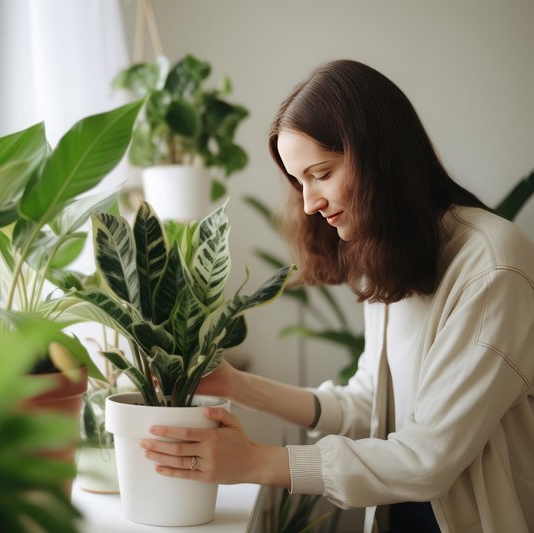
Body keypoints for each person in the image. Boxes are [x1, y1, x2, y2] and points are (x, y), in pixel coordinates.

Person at [139, 60, 534, 532]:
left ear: (378, 156)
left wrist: (258, 463)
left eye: (321, 173)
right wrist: (237, 387)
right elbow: (368, 404)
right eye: (299, 181)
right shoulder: (391, 250)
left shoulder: (492, 264)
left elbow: (429, 457)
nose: (309, 203)